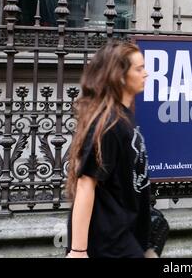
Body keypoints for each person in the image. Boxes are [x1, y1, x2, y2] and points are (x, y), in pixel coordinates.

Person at [65, 41, 157, 258]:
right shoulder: (108, 123)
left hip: (127, 234)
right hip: (110, 243)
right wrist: (78, 251)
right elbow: (86, 183)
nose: (146, 74)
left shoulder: (124, 116)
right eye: (139, 68)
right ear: (120, 76)